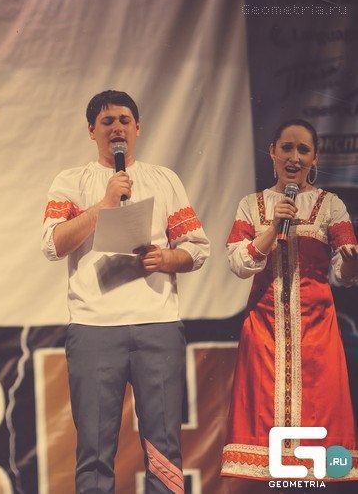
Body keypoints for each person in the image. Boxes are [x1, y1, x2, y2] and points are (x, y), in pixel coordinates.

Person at [41, 90, 210, 493]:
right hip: (94, 327)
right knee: (95, 448)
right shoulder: (71, 181)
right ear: (91, 131)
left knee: (164, 446)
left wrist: (166, 259)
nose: (116, 128)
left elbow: (197, 249)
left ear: (138, 128)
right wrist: (103, 204)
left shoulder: (164, 179)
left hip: (158, 324)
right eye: (106, 122)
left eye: (123, 120)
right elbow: (52, 244)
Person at [221, 119, 358, 480]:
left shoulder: (330, 205)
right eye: (286, 147)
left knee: (318, 432)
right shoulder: (252, 205)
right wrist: (271, 229)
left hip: (317, 332)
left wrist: (351, 262)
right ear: (272, 152)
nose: (294, 157)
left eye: (303, 150)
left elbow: (344, 274)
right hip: (264, 332)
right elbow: (238, 264)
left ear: (315, 158)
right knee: (264, 431)